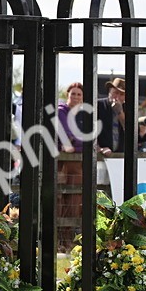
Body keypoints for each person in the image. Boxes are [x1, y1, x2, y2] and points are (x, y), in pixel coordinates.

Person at [55, 82, 87, 247]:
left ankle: (68, 241)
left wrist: (80, 142)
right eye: (73, 93)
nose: (75, 97)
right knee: (60, 199)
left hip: (77, 163)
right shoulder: (61, 111)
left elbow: (86, 139)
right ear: (67, 95)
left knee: (75, 200)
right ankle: (60, 240)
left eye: (79, 94)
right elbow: (67, 137)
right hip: (63, 163)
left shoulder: (83, 114)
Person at [96, 77, 127, 155]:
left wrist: (120, 113)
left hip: (120, 155)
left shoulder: (129, 109)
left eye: (122, 94)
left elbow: (132, 132)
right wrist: (99, 148)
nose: (117, 97)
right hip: (100, 154)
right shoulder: (98, 105)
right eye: (115, 93)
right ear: (109, 91)